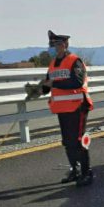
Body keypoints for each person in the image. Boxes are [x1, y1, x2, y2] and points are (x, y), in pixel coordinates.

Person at [41, 30, 94, 186]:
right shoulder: (52, 64)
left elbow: (76, 82)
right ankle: (75, 170)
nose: (51, 48)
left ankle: (87, 172)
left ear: (63, 45)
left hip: (78, 106)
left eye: (54, 45)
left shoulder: (74, 61)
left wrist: (54, 83)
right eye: (50, 45)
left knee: (78, 141)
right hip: (62, 108)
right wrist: (40, 88)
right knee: (67, 142)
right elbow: (47, 86)